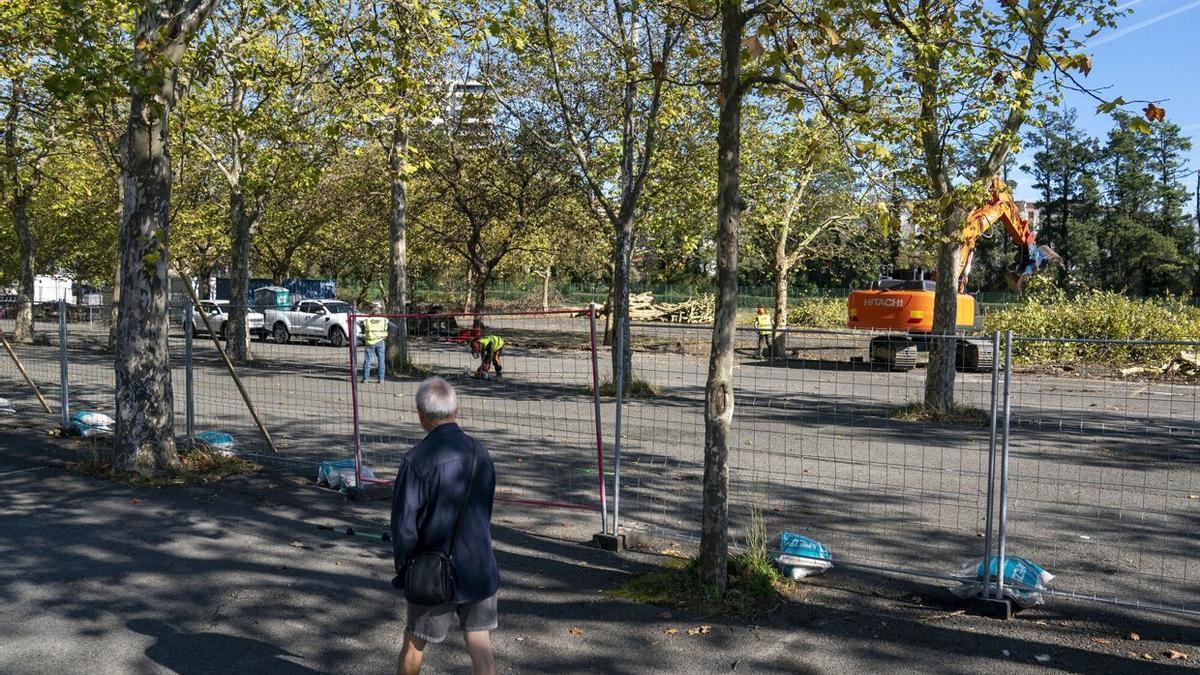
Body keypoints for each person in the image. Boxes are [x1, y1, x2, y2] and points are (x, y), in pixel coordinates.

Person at [391, 377, 498, 675]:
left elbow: (404, 527)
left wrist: (404, 567)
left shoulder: (415, 460)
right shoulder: (481, 453)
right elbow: (484, 507)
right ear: (456, 410)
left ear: (420, 415)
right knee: (480, 643)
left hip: (432, 570)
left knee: (414, 642)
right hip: (478, 564)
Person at [359, 301, 398, 383]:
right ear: (380, 310)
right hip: (380, 341)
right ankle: (381, 379)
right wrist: (388, 336)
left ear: (371, 310)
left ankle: (365, 379)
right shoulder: (384, 320)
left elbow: (361, 325)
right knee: (381, 361)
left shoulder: (367, 320)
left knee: (367, 361)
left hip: (370, 342)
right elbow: (394, 328)